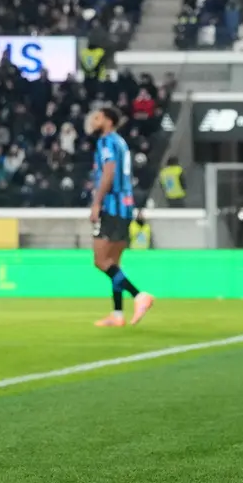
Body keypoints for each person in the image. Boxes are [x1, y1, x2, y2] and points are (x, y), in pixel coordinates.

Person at [88, 106, 154, 327]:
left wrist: (97, 202)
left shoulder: (106, 141)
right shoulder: (121, 142)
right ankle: (117, 314)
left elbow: (109, 172)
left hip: (112, 206)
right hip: (126, 205)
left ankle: (138, 295)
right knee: (114, 263)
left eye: (98, 117)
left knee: (100, 260)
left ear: (108, 121)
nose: (93, 121)